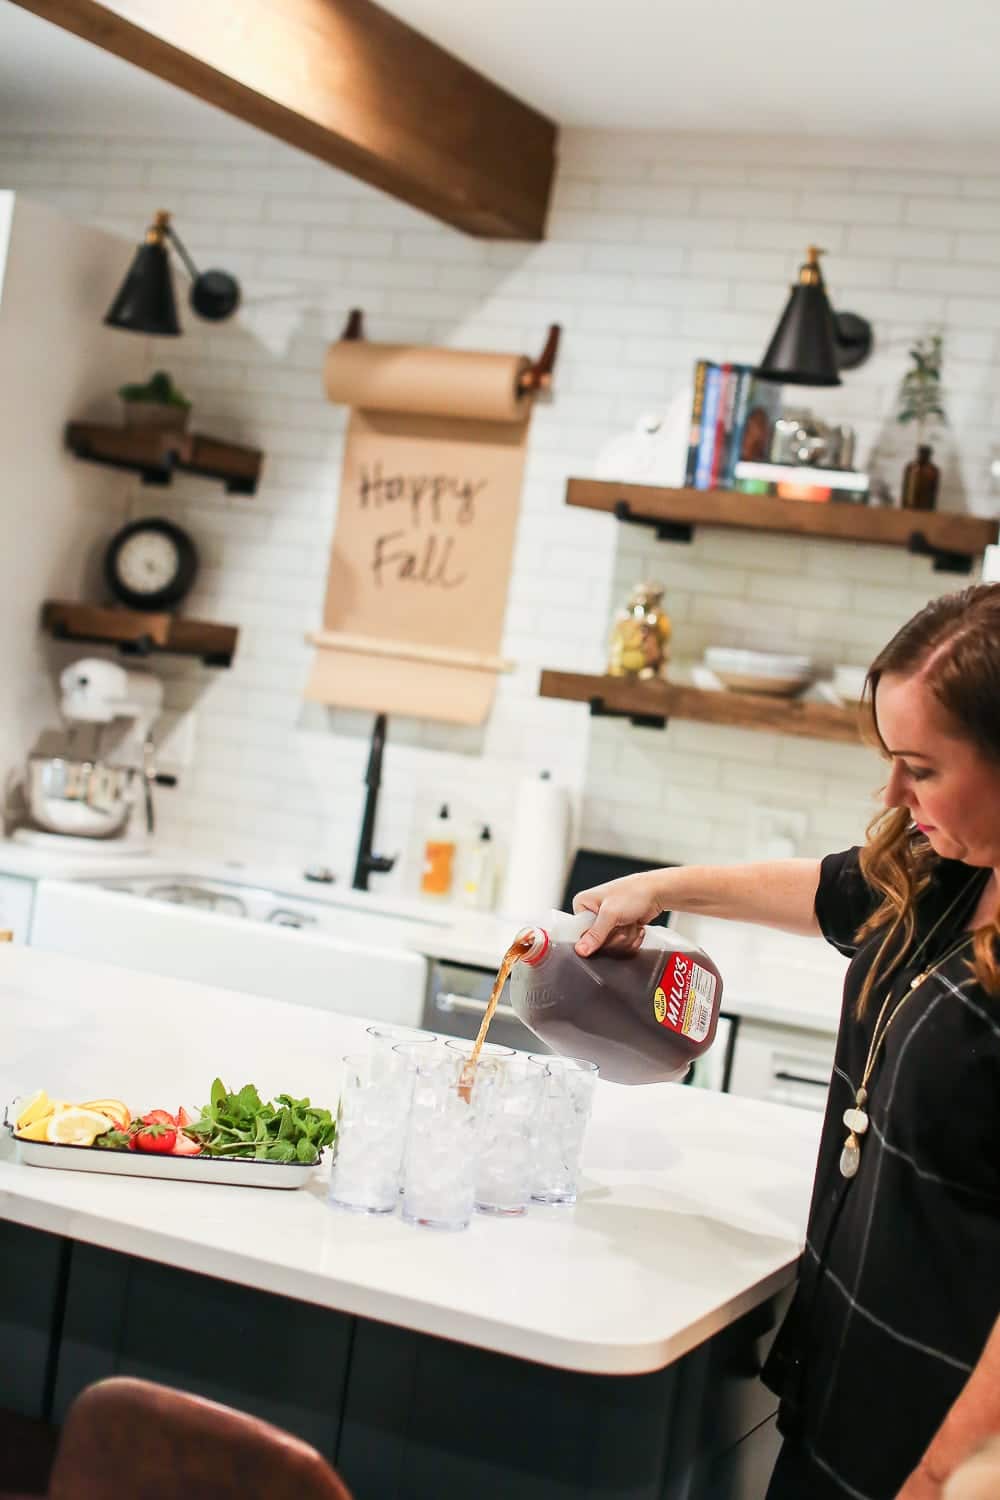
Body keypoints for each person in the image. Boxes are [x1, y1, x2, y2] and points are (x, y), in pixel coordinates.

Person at [573, 584, 1000, 1500]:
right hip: (842, 1392)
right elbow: (825, 891)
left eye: (920, 767)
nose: (892, 793)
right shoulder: (953, 873)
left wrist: (943, 1476)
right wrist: (663, 887)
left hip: (938, 1443)